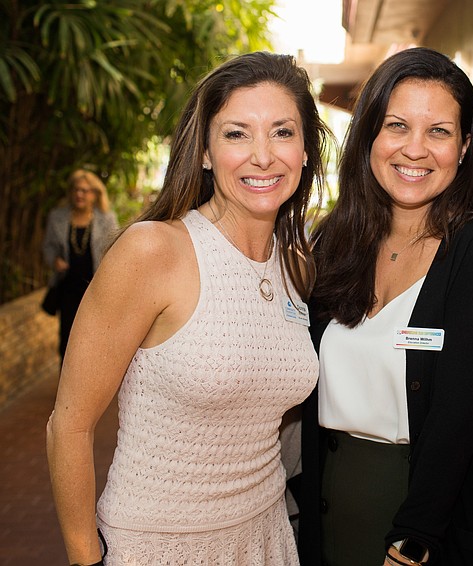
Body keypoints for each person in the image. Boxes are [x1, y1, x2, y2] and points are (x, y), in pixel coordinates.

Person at [46, 51, 331, 565]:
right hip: (158, 544)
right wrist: (86, 559)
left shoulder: (296, 266)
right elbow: (69, 425)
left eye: (282, 132)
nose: (262, 156)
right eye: (236, 134)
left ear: (306, 150)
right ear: (204, 152)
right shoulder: (153, 251)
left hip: (266, 539)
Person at [298, 47, 473, 566]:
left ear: (465, 146)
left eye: (439, 131)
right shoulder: (335, 242)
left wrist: (414, 538)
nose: (415, 149)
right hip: (329, 511)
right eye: (397, 126)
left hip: (426, 528)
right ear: (369, 135)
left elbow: (459, 418)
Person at [42, 169, 118, 358]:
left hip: (95, 289)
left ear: (95, 194)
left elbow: (115, 250)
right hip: (67, 289)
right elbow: (48, 246)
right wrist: (55, 260)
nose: (79, 194)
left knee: (93, 341)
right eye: (76, 189)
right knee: (67, 341)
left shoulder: (107, 219)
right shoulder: (57, 217)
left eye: (85, 190)